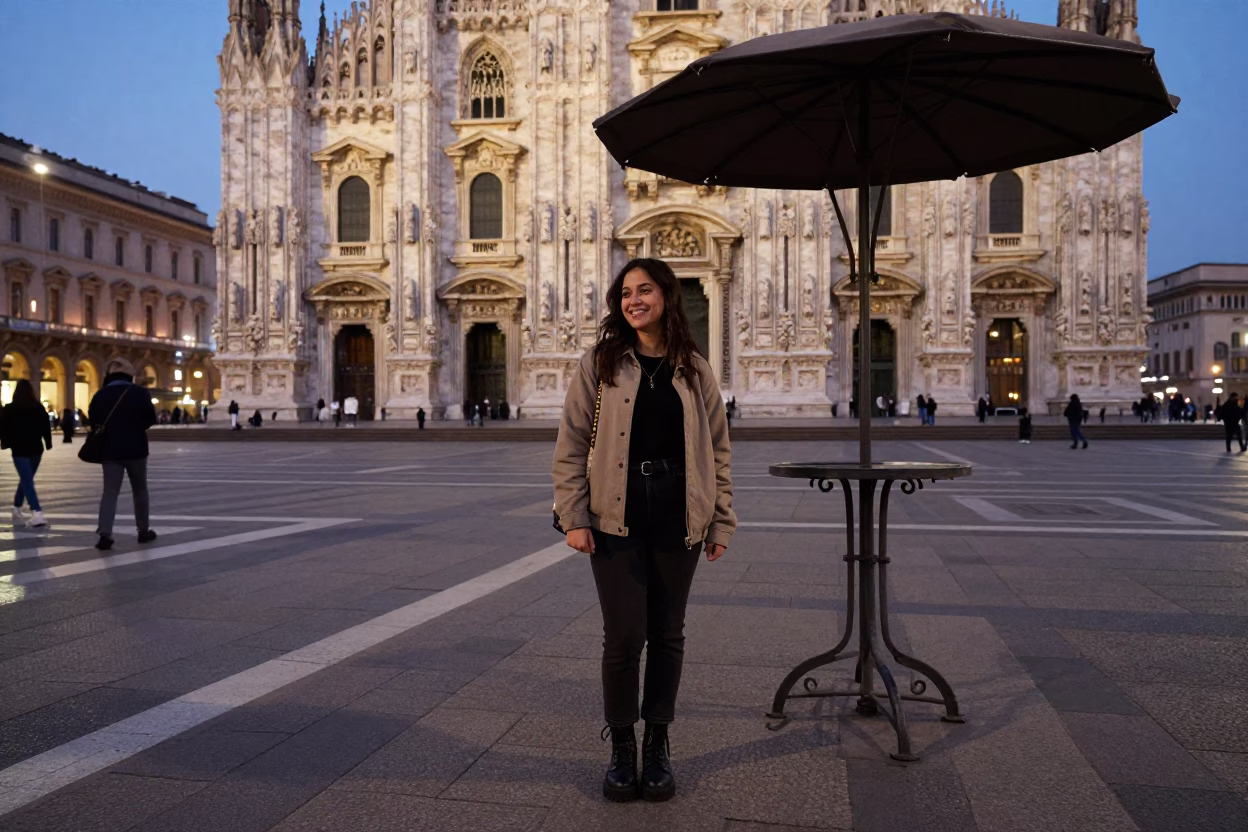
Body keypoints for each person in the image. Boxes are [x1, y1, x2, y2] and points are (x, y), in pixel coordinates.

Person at [553, 258, 736, 804]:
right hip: (617, 511)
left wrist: (721, 518)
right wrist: (574, 516)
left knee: (668, 633)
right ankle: (622, 746)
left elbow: (719, 450)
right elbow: (571, 443)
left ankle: (657, 745)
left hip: (680, 509)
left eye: (645, 290)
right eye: (627, 292)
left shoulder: (694, 368)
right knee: (624, 635)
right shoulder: (601, 362)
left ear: (667, 297)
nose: (635, 300)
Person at [89, 358, 158, 551]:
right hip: (136, 449)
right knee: (140, 490)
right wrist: (135, 428)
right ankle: (143, 531)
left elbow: (93, 420)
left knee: (110, 492)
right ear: (129, 376)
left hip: (110, 449)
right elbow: (150, 419)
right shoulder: (140, 393)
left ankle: (105, 534)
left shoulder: (101, 394)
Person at [1, 379, 52, 529]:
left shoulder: (10, 408)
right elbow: (45, 426)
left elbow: (2, 428)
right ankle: (35, 511)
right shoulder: (38, 407)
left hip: (19, 450)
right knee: (27, 479)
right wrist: (48, 443)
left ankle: (22, 508)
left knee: (26, 479)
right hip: (36, 449)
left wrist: (6, 442)